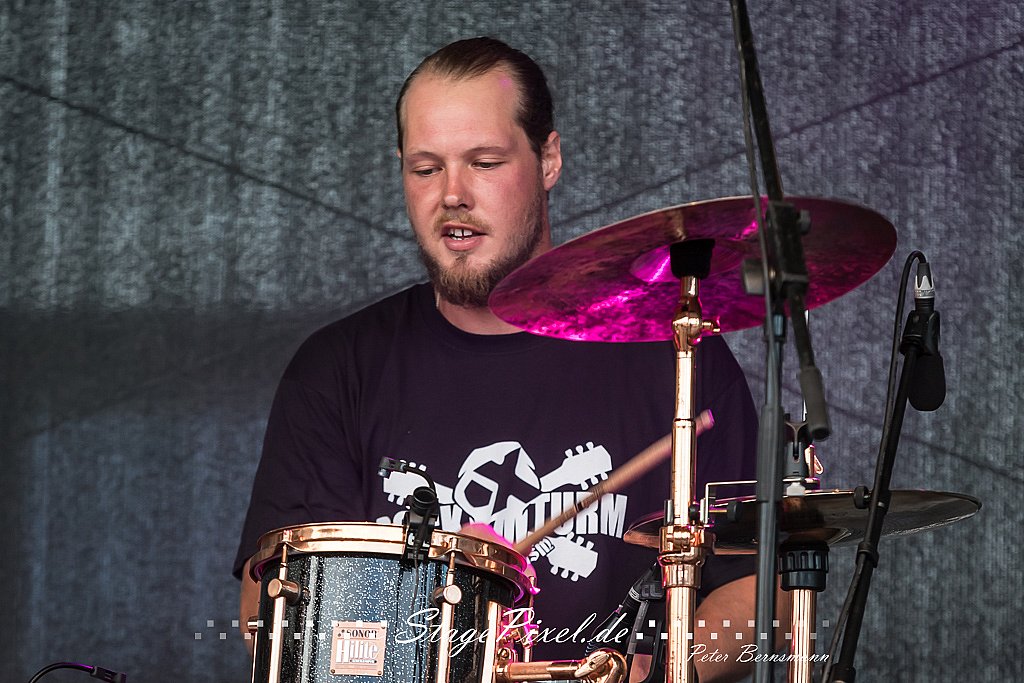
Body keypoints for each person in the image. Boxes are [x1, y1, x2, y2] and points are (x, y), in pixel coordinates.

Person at [234, 37, 786, 682]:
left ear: (548, 159)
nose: (453, 194)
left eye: (485, 162)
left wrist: (648, 677)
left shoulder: (673, 352)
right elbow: (271, 606)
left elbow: (759, 592)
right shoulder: (337, 370)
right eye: (426, 169)